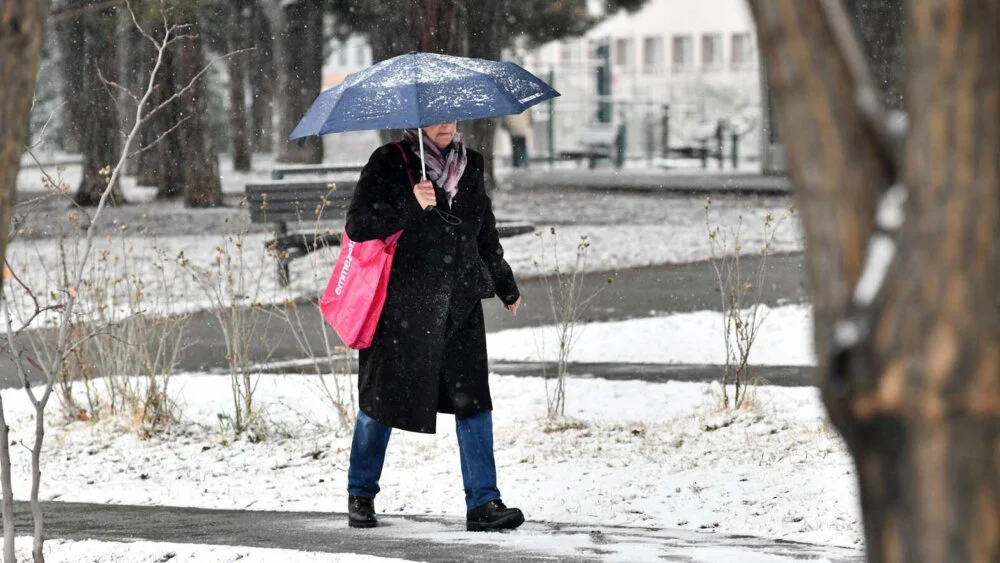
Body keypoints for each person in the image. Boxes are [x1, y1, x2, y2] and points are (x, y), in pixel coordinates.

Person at [343, 122, 525, 532]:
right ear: (417, 120)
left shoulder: (471, 163)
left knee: (473, 401)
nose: (446, 125)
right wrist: (411, 202)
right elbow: (359, 225)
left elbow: (484, 230)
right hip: (402, 305)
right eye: (437, 117)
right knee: (379, 402)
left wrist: (504, 283)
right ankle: (361, 493)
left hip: (461, 302)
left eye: (452, 117)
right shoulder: (389, 161)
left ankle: (484, 502)